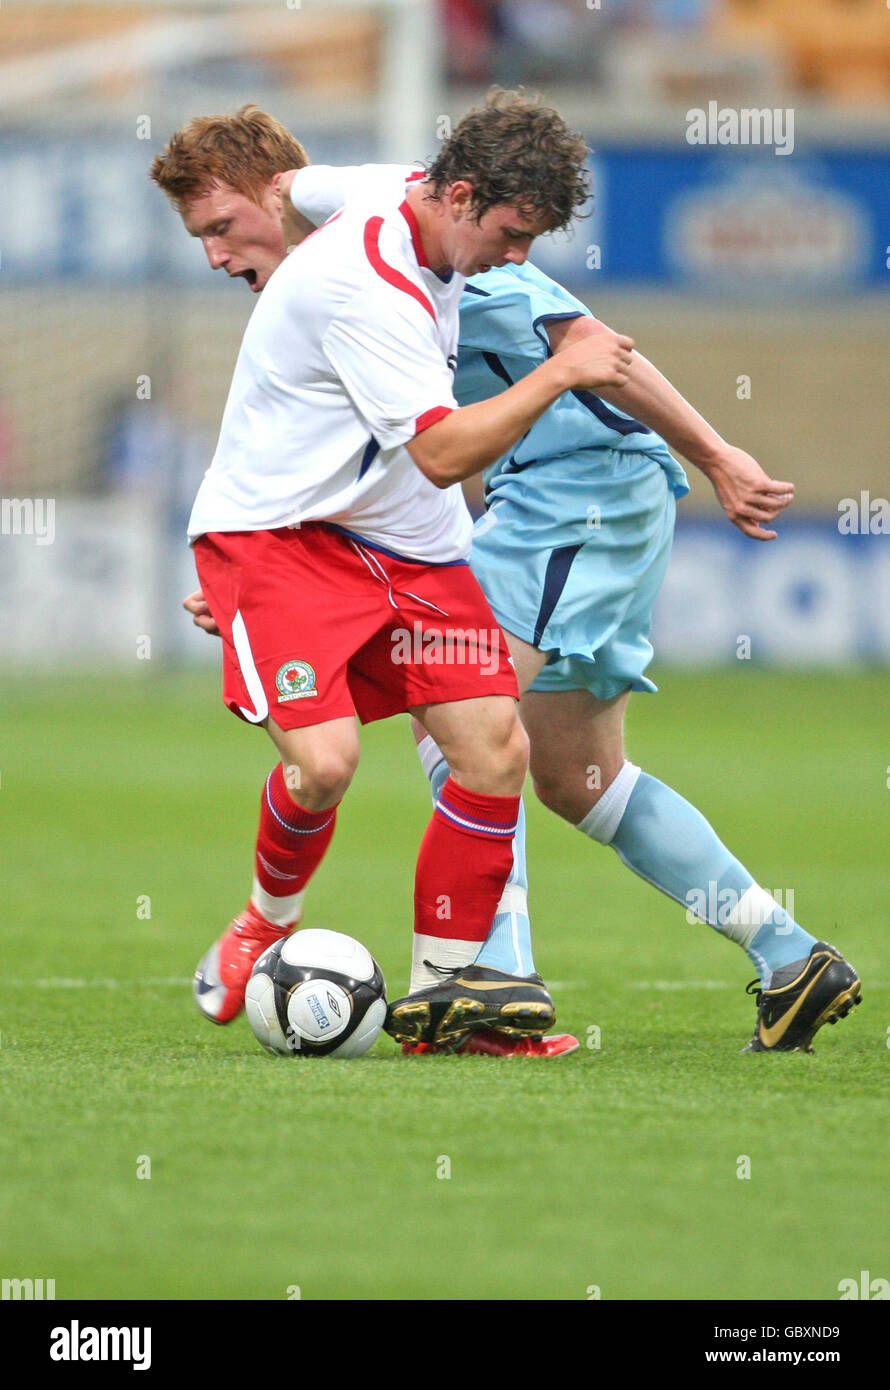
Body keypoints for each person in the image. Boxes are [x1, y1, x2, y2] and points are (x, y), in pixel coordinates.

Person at [156, 102, 861, 1057]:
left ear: (275, 198)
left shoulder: (448, 263)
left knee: (469, 729)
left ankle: (489, 987)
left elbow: (598, 350)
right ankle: (789, 956)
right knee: (580, 776)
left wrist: (719, 455)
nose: (214, 254)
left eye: (220, 227)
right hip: (570, 506)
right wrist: (256, 579)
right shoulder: (349, 232)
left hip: (577, 499)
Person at [150, 94, 636, 1055]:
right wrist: (560, 371)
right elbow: (445, 454)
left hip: (405, 545)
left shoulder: (396, 194)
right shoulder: (360, 283)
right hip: (282, 540)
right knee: (326, 762)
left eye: (222, 225)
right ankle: (265, 918)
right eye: (509, 235)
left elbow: (307, 182)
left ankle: (451, 1007)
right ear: (458, 197)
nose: (515, 260)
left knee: (496, 750)